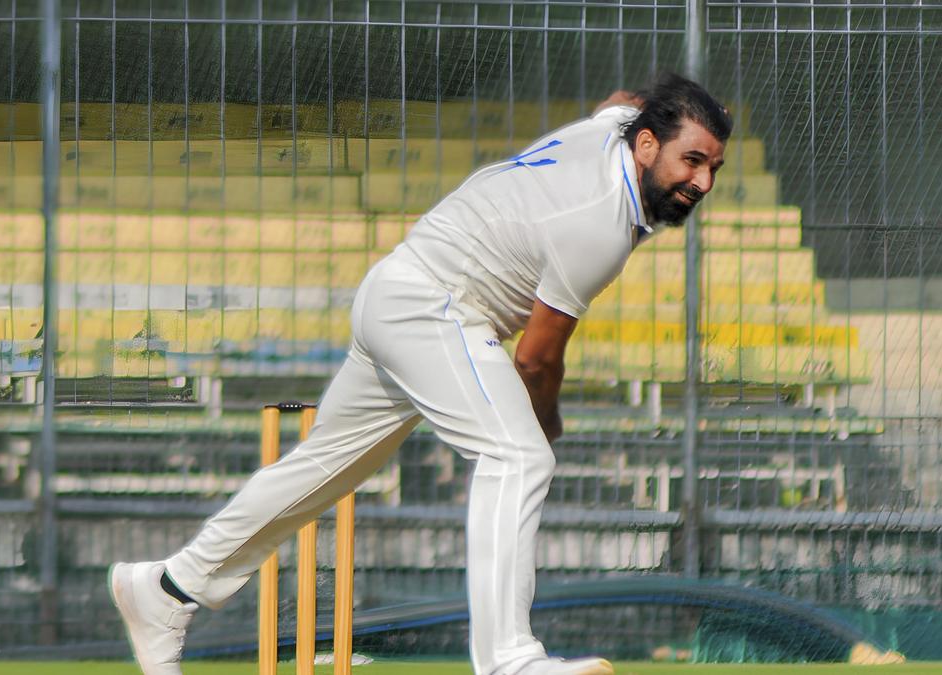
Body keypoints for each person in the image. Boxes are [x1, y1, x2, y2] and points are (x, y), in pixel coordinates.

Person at [110, 72, 731, 675]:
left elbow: (621, 100)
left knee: (320, 470)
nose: (702, 181)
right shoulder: (600, 222)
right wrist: (545, 421)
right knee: (518, 457)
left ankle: (169, 588)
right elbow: (535, 359)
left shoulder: (613, 129)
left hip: (396, 291)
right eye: (691, 160)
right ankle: (510, 659)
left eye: (713, 167)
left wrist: (681, 108)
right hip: (435, 307)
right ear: (645, 145)